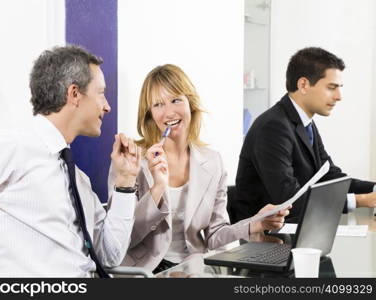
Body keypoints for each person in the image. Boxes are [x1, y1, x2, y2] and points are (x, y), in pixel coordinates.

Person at [0, 45, 141, 277]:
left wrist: (126, 180)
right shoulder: (10, 148)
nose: (107, 106)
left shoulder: (77, 179)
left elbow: (109, 254)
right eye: (101, 93)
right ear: (74, 94)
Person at [108, 64, 290, 273]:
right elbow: (122, 240)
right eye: (158, 104)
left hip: (194, 269)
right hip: (144, 272)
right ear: (149, 113)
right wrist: (157, 188)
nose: (168, 112)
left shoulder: (212, 162)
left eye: (176, 100)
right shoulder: (131, 161)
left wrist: (255, 224)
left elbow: (215, 236)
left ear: (190, 104)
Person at [230, 47, 376, 224]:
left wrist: (373, 189)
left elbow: (329, 176)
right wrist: (361, 201)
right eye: (332, 88)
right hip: (264, 238)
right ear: (303, 85)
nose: (339, 96)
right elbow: (288, 199)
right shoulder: (273, 126)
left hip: (297, 229)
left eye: (340, 88)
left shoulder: (304, 122)